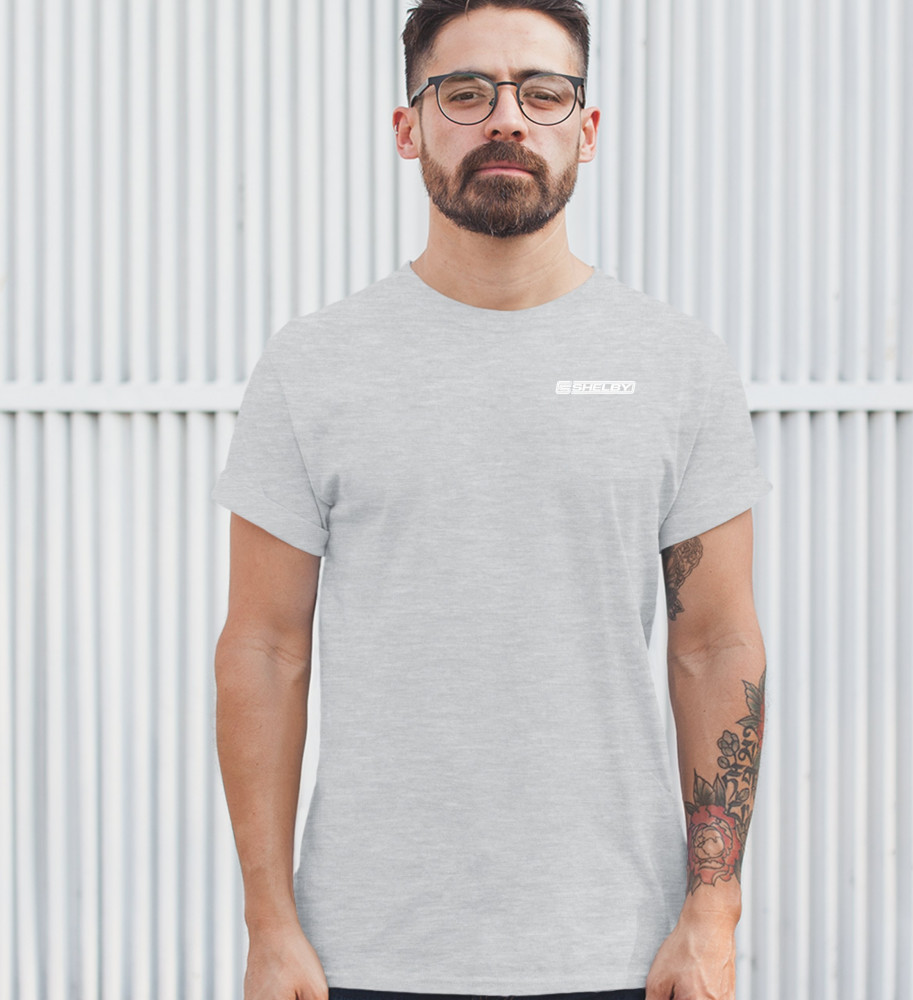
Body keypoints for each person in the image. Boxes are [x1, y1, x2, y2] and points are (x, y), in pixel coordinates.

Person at [211, 2, 771, 999]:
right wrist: (268, 921)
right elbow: (263, 648)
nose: (507, 118)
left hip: (622, 952)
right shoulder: (314, 366)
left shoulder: (676, 365)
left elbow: (716, 644)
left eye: (542, 93)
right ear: (408, 128)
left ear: (586, 131)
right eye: (465, 93)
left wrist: (714, 912)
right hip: (362, 954)